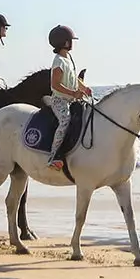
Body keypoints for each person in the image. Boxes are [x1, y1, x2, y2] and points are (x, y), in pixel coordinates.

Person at [46, 25, 92, 171]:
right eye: (70, 40)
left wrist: (84, 88)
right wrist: (73, 94)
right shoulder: (58, 60)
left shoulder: (68, 58)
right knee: (65, 120)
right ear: (64, 42)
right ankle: (53, 157)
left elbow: (74, 79)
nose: (72, 43)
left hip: (71, 100)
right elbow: (55, 85)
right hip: (60, 100)